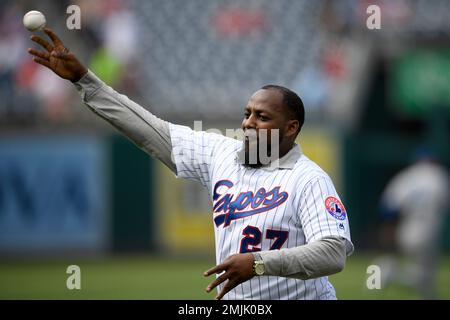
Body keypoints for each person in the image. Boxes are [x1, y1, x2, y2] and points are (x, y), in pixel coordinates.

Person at [27, 28, 354, 300]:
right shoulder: (222, 155)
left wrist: (258, 262)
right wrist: (85, 80)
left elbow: (333, 252)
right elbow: (149, 130)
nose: (249, 123)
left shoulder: (308, 178)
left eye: (262, 117)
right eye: (247, 114)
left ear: (291, 128)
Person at [375, 147, 450, 299]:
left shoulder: (407, 176)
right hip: (429, 228)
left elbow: (388, 206)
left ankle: (426, 294)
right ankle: (390, 272)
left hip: (407, 227)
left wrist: (389, 229)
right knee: (424, 275)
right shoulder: (439, 175)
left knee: (426, 275)